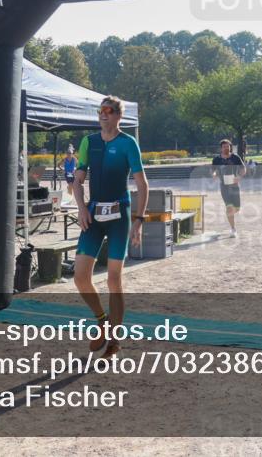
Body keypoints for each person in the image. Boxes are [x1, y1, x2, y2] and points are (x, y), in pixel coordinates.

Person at [73, 96, 148, 359]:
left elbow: (142, 184)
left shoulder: (128, 143)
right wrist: (82, 208)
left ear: (118, 116)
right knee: (80, 276)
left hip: (119, 215)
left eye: (108, 111)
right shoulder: (88, 142)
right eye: (100, 111)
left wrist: (138, 221)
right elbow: (78, 179)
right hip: (93, 214)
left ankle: (115, 342)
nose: (103, 115)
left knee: (114, 278)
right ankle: (102, 320)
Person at [212, 139, 245, 237]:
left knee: (237, 208)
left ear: (230, 147)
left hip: (234, 186)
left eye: (228, 146)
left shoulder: (235, 157)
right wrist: (214, 174)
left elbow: (243, 169)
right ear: (221, 148)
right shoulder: (217, 159)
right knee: (229, 207)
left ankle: (229, 213)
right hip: (224, 186)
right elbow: (214, 170)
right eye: (224, 146)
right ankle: (233, 229)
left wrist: (239, 177)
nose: (226, 148)